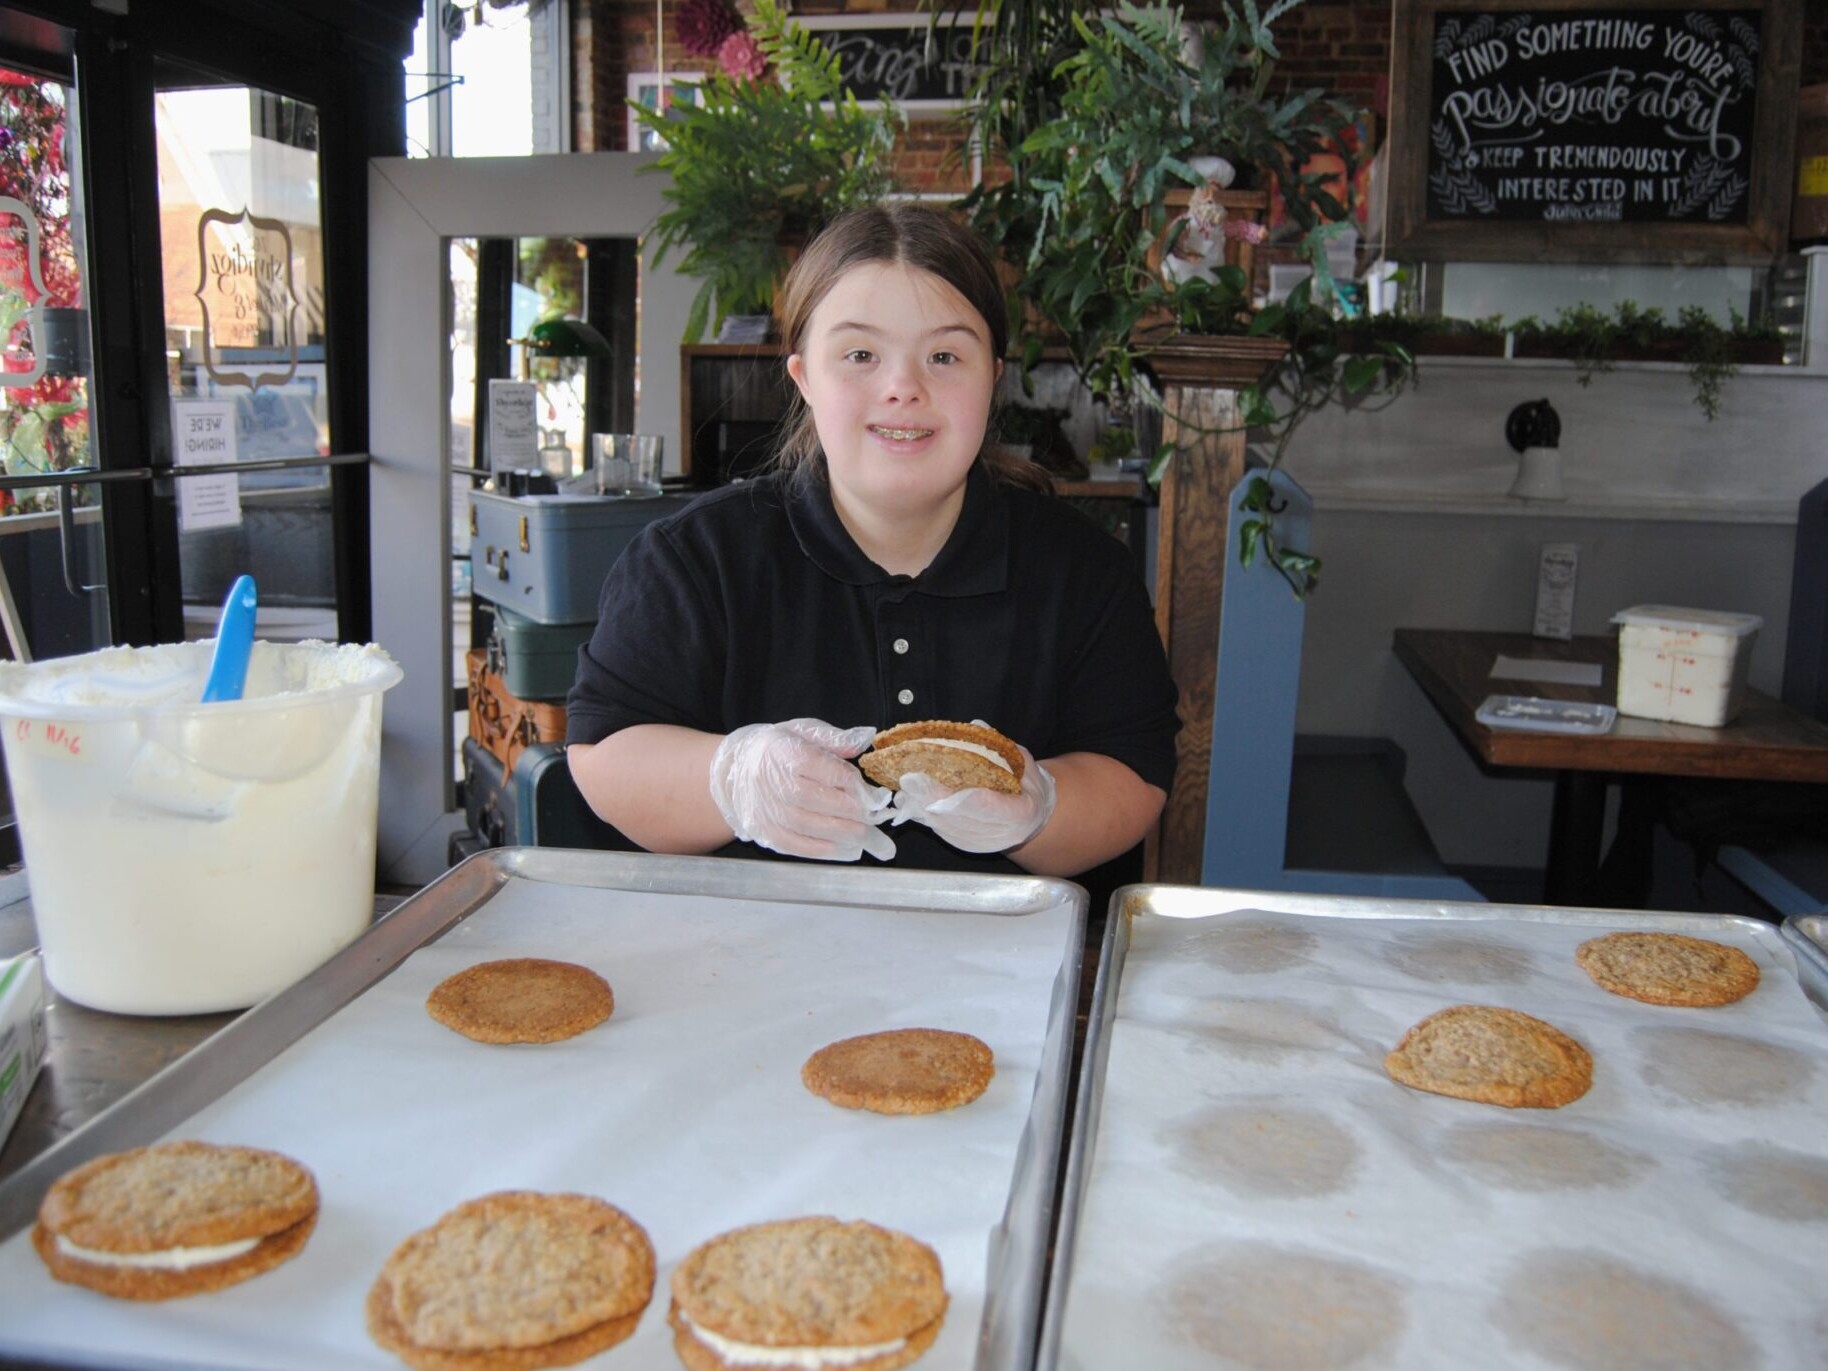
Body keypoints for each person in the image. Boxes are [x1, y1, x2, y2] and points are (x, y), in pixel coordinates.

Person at [565, 203, 1179, 876]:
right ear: (804, 378)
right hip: (750, 961)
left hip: (1001, 964)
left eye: (945, 355)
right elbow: (603, 754)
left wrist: (1043, 808)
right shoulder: (691, 561)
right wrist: (731, 779)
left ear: (992, 377)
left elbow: (1135, 772)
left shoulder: (1085, 571)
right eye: (860, 354)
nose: (903, 388)